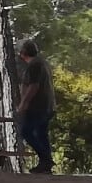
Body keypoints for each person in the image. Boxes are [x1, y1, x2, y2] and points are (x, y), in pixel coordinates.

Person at [16, 39, 55, 174]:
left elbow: (33, 86)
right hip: (47, 105)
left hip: (38, 106)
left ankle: (46, 158)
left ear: (23, 53)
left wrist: (23, 103)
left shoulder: (35, 65)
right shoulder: (41, 63)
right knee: (41, 134)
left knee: (27, 131)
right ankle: (45, 164)